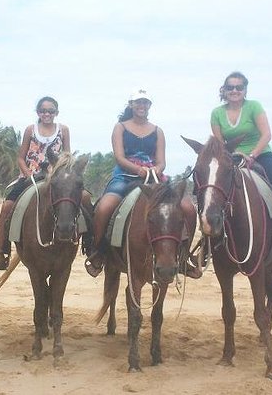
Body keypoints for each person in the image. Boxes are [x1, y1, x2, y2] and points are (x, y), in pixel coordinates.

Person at [84, 89, 199, 278]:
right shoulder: (120, 127)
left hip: (153, 177)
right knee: (105, 207)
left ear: (149, 106)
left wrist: (156, 170)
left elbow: (162, 161)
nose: (141, 106)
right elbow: (119, 157)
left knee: (187, 207)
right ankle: (98, 251)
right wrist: (137, 170)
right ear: (131, 105)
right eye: (138, 102)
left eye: (145, 102)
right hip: (125, 176)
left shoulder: (157, 130)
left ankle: (183, 256)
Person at [210, 71, 272, 260]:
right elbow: (219, 145)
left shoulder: (254, 107)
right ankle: (210, 242)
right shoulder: (216, 113)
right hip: (232, 158)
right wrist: (232, 156)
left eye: (239, 87)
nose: (234, 90)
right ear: (224, 90)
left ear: (245, 90)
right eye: (230, 87)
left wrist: (252, 155)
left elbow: (267, 135)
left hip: (261, 154)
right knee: (213, 191)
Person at [0, 96, 71, 278]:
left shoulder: (63, 130)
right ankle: (2, 251)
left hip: (55, 176)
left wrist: (58, 172)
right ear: (38, 112)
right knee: (7, 206)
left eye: (50, 111)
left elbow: (67, 155)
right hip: (31, 175)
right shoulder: (30, 130)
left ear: (56, 112)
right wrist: (28, 174)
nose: (47, 114)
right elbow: (20, 157)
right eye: (43, 110)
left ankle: (89, 245)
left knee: (80, 200)